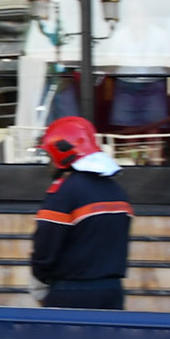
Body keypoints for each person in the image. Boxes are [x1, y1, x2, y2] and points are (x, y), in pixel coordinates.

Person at [31, 116, 134, 310]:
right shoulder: (118, 192)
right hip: (112, 293)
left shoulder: (64, 193)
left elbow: (45, 246)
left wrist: (40, 283)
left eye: (50, 157)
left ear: (62, 153)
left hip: (71, 294)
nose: (48, 164)